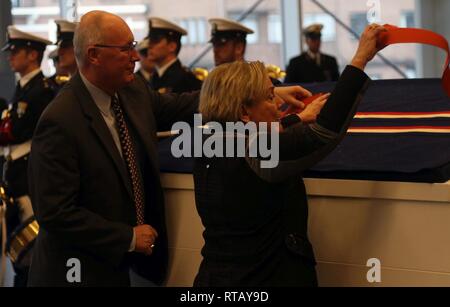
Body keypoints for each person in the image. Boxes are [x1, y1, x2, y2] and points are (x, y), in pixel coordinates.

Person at [26, 10, 313, 287]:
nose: (136, 57)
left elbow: (183, 105)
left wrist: (265, 93)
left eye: (134, 47)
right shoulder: (60, 120)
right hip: (77, 270)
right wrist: (125, 237)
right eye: (126, 49)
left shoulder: (130, 91)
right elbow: (55, 213)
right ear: (94, 55)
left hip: (128, 265)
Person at [193, 24, 386, 287]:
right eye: (270, 98)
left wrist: (295, 118)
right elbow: (322, 133)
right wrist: (360, 58)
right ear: (245, 113)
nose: (278, 107)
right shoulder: (256, 151)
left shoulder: (204, 140)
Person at [0, 26, 54, 287]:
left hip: (31, 180)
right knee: (19, 255)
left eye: (16, 51)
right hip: (16, 178)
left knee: (32, 252)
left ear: (33, 55)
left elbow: (23, 133)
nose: (10, 57)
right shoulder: (22, 89)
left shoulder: (41, 90)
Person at [147, 17, 201, 94]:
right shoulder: (155, 76)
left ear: (172, 46)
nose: (149, 45)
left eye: (155, 41)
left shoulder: (184, 79)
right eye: (149, 41)